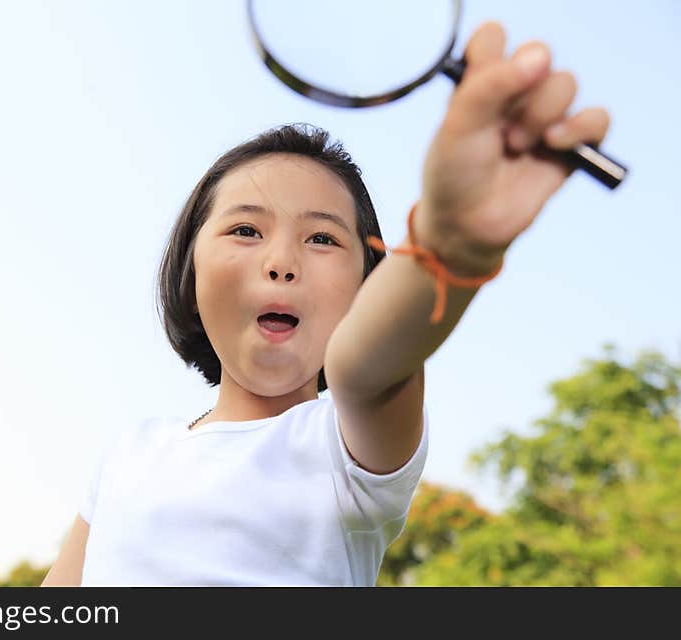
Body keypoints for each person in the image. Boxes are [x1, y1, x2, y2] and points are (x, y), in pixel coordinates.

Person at [41, 21, 610, 586]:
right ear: (191, 271)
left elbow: (368, 368)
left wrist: (448, 248)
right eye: (245, 230)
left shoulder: (343, 444)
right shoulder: (128, 456)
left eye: (322, 238)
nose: (282, 260)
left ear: (368, 290)